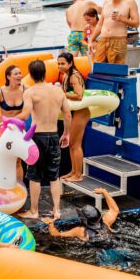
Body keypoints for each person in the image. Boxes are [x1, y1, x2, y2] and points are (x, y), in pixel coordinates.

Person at [15, 60, 71, 220]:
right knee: (54, 176)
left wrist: (6, 120)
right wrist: (66, 134)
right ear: (45, 73)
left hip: (37, 138)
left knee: (34, 175)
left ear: (31, 75)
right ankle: (57, 211)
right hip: (54, 135)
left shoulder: (30, 92)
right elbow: (67, 115)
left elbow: (25, 115)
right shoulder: (58, 91)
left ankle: (34, 211)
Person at [42, 188, 119, 242]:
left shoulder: (80, 231)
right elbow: (115, 210)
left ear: (84, 219)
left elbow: (56, 234)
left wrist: (50, 223)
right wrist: (104, 192)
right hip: (109, 243)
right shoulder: (106, 222)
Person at [91, 0, 140, 64]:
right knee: (98, 67)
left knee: (116, 69)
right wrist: (91, 40)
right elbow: (100, 24)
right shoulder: (106, 2)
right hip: (103, 40)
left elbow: (137, 23)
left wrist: (122, 19)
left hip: (119, 40)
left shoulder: (130, 2)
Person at [57, 52, 89, 182]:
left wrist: (62, 93)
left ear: (70, 63)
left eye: (63, 63)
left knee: (76, 144)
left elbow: (79, 95)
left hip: (81, 112)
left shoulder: (74, 76)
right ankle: (73, 171)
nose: (60, 66)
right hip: (74, 112)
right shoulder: (66, 75)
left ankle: (78, 174)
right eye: (58, 64)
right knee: (71, 144)